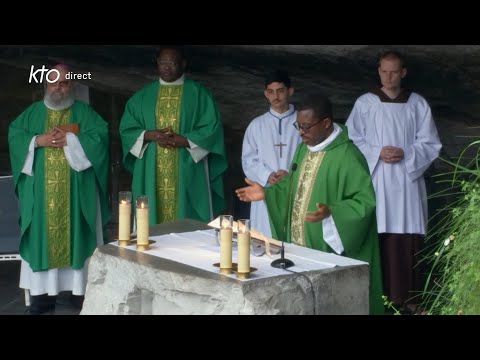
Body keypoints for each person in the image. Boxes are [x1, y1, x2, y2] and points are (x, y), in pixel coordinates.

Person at [236, 92, 384, 315]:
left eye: (306, 126)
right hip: (299, 248)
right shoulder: (304, 148)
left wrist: (333, 212)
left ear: (326, 123)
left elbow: (365, 203)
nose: (301, 132)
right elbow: (294, 186)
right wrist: (267, 193)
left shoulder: (348, 156)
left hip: (327, 252)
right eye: (298, 126)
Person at [8, 63, 110, 314]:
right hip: (41, 196)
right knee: (42, 239)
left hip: (76, 195)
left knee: (77, 238)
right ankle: (42, 298)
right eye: (53, 82)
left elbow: (101, 138)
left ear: (72, 85)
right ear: (45, 84)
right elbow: (15, 136)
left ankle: (79, 295)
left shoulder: (84, 113)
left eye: (64, 82)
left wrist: (73, 140)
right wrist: (36, 140)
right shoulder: (32, 113)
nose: (58, 87)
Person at [345, 50, 442, 312]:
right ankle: (378, 293)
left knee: (406, 239)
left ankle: (409, 299)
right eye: (384, 71)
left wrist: (407, 153)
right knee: (379, 234)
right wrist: (377, 151)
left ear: (403, 72)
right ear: (379, 72)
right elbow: (352, 140)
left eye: (394, 71)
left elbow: (431, 143)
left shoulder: (417, 104)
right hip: (376, 179)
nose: (389, 77)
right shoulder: (365, 103)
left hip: (407, 182)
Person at [119, 46, 227, 224]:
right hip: (150, 168)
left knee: (188, 223)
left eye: (172, 63)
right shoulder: (142, 96)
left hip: (188, 166)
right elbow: (127, 129)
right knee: (151, 220)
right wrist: (150, 134)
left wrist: (184, 140)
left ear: (183, 64)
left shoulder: (200, 94)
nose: (167, 67)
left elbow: (211, 128)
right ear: (157, 63)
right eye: (163, 62)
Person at [241, 70, 301, 237]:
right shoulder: (257, 125)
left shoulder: (302, 121)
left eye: (281, 90)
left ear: (290, 91)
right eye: (271, 91)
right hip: (265, 189)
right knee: (265, 238)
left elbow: (310, 154)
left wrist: (291, 175)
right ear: (265, 94)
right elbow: (248, 160)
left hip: (295, 188)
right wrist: (267, 175)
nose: (276, 96)